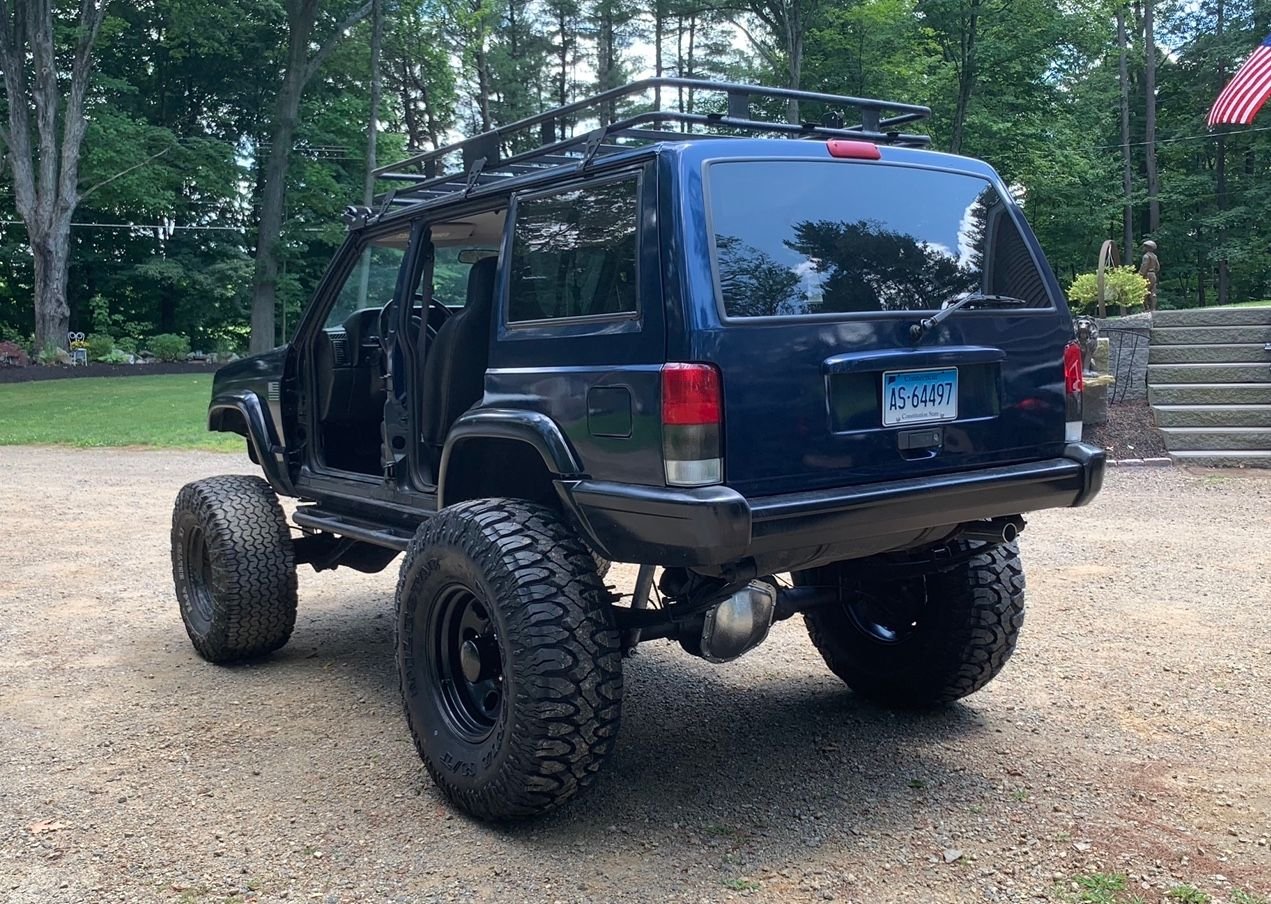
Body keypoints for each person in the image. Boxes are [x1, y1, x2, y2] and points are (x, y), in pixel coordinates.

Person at [1139, 240, 1160, 313]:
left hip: (1147, 275)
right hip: (1153, 275)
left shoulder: (1146, 256)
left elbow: (1144, 266)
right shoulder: (1155, 256)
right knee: (1153, 292)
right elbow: (1158, 267)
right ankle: (1153, 308)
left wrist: (1140, 275)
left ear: (1148, 248)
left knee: (1144, 291)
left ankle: (1146, 308)